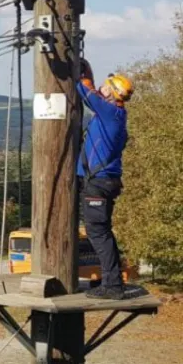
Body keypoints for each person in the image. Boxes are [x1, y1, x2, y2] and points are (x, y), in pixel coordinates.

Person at [76, 59, 134, 300]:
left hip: (98, 183)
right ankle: (111, 280)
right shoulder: (115, 115)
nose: (102, 87)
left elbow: (84, 90)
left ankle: (112, 285)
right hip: (101, 181)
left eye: (106, 85)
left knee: (98, 232)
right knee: (101, 231)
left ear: (111, 90)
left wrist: (82, 69)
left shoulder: (110, 111)